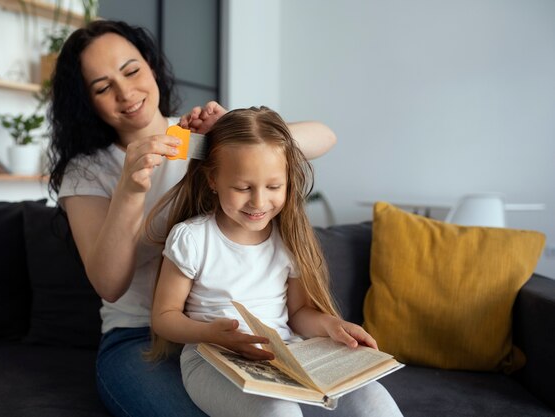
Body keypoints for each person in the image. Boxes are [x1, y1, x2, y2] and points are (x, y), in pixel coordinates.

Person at [47, 20, 338, 417]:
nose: (125, 92)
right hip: (136, 337)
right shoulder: (86, 171)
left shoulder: (196, 138)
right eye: (102, 87)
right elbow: (109, 284)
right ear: (87, 102)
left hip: (232, 333)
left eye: (131, 71)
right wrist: (130, 191)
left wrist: (233, 137)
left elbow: (324, 136)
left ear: (151, 66)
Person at [148, 106, 403, 417]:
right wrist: (210, 333)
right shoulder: (192, 238)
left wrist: (333, 326)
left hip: (286, 354)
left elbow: (298, 314)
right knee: (277, 411)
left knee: (373, 399)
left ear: (288, 181)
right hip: (211, 359)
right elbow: (164, 316)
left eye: (273, 187)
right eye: (243, 188)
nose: (258, 202)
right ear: (213, 179)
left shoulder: (287, 238)